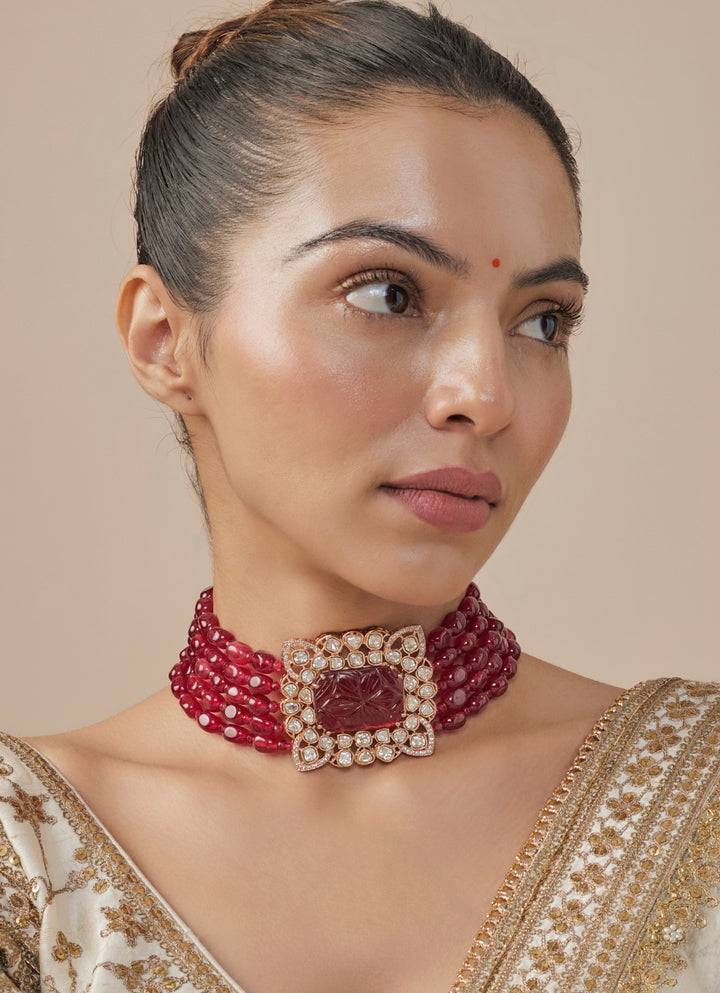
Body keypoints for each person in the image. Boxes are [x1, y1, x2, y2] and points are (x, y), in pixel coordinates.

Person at [1, 0, 718, 989]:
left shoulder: (701, 796)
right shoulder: (26, 864)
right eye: (388, 293)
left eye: (544, 322)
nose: (488, 396)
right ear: (165, 342)